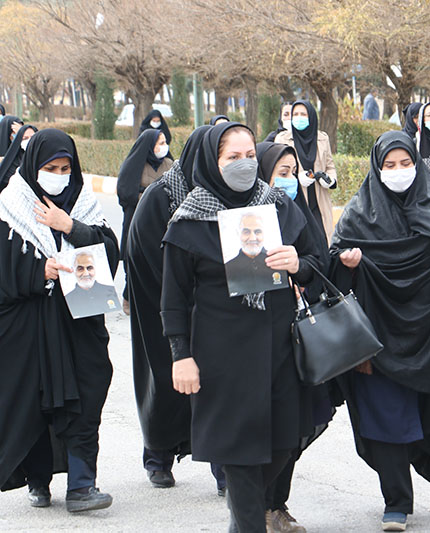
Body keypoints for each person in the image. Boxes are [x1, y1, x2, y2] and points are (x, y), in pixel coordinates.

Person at [161, 122, 322, 532]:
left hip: (278, 349)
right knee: (241, 458)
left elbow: (316, 264)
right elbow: (174, 298)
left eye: (250, 155)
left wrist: (298, 265)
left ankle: (243, 513)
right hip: (221, 358)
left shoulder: (279, 206)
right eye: (232, 157)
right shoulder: (189, 219)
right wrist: (182, 356)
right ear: (212, 162)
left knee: (285, 442)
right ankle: (246, 518)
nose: (244, 164)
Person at [330, 130, 430, 532]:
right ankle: (395, 498)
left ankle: (417, 469)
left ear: (418, 164)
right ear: (376, 169)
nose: (398, 172)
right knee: (385, 415)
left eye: (406, 164)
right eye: (389, 165)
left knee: (428, 410)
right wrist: (346, 263)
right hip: (377, 335)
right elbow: (332, 270)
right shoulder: (359, 213)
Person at [0, 128, 118, 513]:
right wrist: (38, 271)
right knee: (35, 402)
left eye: (66, 167)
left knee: (88, 392)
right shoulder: (11, 205)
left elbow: (110, 252)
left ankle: (83, 486)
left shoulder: (82, 202)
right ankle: (38, 481)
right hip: (29, 325)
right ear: (34, 166)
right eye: (51, 167)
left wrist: (70, 227)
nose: (59, 174)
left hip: (79, 320)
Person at [126, 125, 228, 493]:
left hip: (212, 309)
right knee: (164, 384)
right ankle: (158, 457)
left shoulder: (225, 194)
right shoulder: (162, 194)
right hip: (161, 305)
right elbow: (142, 251)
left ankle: (224, 470)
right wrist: (179, 298)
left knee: (214, 388)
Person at [256, 141, 332, 533]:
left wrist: (299, 265)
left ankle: (276, 505)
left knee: (298, 425)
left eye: (292, 173)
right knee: (265, 427)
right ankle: (256, 506)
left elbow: (319, 263)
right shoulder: (243, 218)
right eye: (279, 173)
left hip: (296, 339)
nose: (287, 181)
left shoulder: (299, 213)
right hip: (253, 341)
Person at [117, 129, 173, 311]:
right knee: (134, 257)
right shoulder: (135, 164)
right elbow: (126, 192)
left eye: (165, 142)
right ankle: (128, 296)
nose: (164, 147)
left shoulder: (169, 164)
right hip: (136, 220)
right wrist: (147, 198)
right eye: (160, 143)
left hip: (163, 220)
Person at [274, 101, 337, 242]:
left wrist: (331, 180)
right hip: (296, 200)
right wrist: (296, 177)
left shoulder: (322, 138)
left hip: (318, 200)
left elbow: (330, 165)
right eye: (295, 114)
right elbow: (276, 171)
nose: (299, 117)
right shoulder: (282, 139)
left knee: (323, 240)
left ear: (312, 116)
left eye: (303, 114)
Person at [224, 211, 276, 296]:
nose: (252, 238)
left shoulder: (278, 262)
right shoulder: (229, 267)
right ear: (238, 234)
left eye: (257, 231)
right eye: (246, 232)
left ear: (265, 233)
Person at [63, 250, 120, 317]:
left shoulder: (109, 290)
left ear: (95, 268)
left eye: (89, 268)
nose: (86, 274)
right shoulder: (68, 298)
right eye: (80, 269)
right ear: (73, 270)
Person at [0, 124, 38, 191]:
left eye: (32, 137)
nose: (29, 141)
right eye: (25, 138)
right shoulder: (13, 163)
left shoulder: (42, 160)